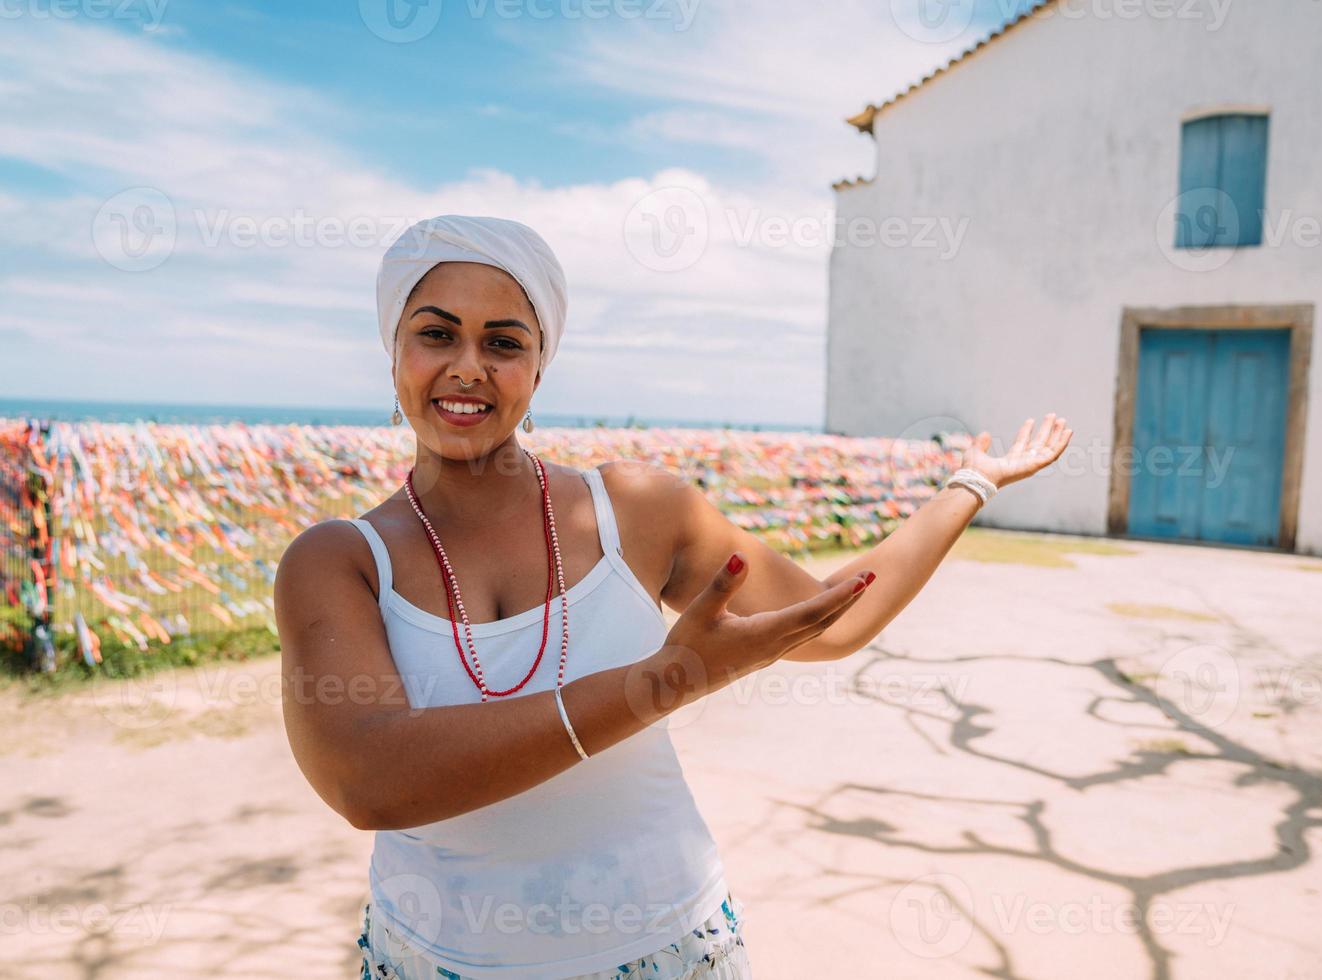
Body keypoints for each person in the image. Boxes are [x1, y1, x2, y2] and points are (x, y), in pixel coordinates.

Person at [274, 214, 1072, 979]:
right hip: (435, 960)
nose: (469, 367)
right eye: (437, 333)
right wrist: (662, 682)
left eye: (505, 343)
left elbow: (834, 615)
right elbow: (368, 779)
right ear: (393, 351)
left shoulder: (638, 512)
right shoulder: (340, 560)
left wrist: (970, 484)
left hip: (665, 948)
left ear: (540, 366)